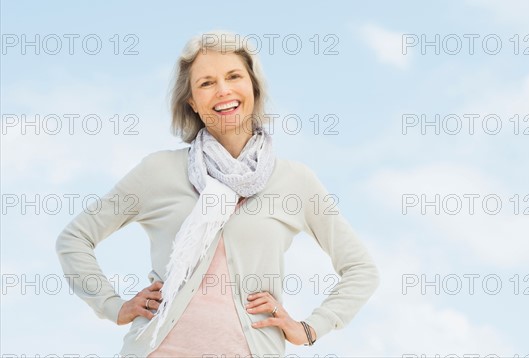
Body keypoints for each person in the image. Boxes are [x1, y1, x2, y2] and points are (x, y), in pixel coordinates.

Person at [55, 30, 380, 357]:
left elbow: (361, 270)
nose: (223, 90)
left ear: (253, 86)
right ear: (192, 102)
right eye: (206, 83)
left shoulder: (294, 181)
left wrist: (311, 328)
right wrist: (112, 306)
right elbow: (75, 238)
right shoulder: (158, 171)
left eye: (233, 76)